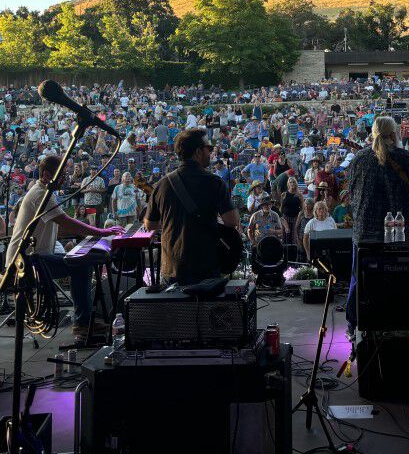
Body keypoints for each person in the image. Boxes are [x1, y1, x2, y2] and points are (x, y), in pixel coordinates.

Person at [5, 155, 124, 342]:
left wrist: (86, 235)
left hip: (34, 256)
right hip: (25, 261)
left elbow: (55, 227)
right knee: (80, 266)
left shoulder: (44, 191)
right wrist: (102, 231)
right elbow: (66, 221)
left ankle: (83, 322)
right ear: (46, 175)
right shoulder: (41, 195)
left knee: (79, 264)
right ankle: (82, 325)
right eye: (61, 175)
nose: (65, 178)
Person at [346, 116, 409, 339]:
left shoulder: (358, 160)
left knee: (359, 279)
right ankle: (397, 323)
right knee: (397, 281)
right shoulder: (406, 158)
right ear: (394, 134)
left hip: (364, 235)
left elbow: (351, 194)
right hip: (397, 234)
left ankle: (353, 324)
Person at [144, 129, 240, 285]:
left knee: (178, 310)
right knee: (207, 309)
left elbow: (150, 225)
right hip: (205, 267)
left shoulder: (162, 184)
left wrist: (175, 221)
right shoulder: (215, 182)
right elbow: (231, 221)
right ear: (197, 152)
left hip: (172, 268)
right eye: (208, 148)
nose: (210, 152)